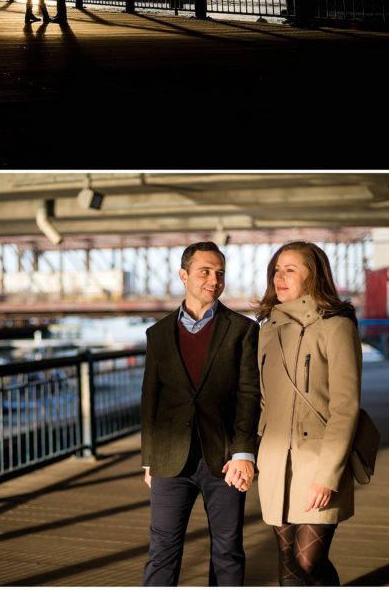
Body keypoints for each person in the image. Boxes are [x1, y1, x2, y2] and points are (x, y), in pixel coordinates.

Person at [141, 242, 260, 586]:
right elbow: (151, 399)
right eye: (205, 271)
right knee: (162, 549)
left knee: (228, 550)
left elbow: (249, 395)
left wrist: (243, 453)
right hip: (168, 460)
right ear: (184, 275)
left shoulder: (242, 330)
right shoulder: (159, 333)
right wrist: (149, 458)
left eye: (219, 273)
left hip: (224, 459)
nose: (214, 280)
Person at [256, 242, 362, 586]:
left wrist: (327, 475)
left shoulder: (336, 325)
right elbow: (261, 399)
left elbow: (345, 407)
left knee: (308, 561)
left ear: (312, 275)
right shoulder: (267, 328)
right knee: (287, 559)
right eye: (276, 270)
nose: (280, 277)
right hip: (274, 461)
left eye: (290, 269)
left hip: (317, 460)